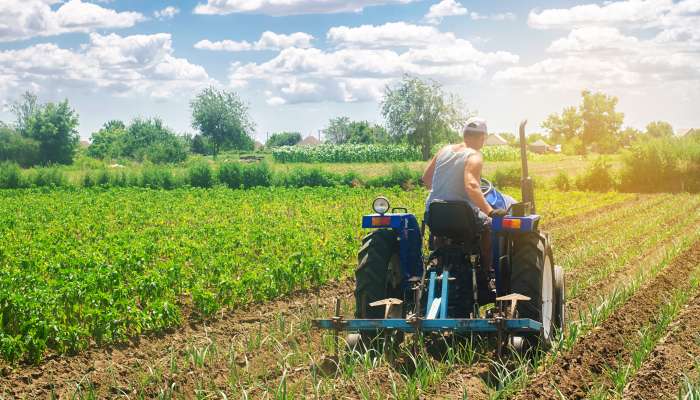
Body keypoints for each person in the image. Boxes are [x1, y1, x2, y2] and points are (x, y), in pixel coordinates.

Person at [422, 117, 511, 270]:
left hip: (434, 212)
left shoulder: (444, 150)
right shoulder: (474, 155)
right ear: (483, 138)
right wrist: (490, 211)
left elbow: (426, 179)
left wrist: (445, 190)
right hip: (462, 215)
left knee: (442, 230)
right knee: (489, 226)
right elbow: (471, 185)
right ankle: (486, 271)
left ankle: (440, 259)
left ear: (464, 134)